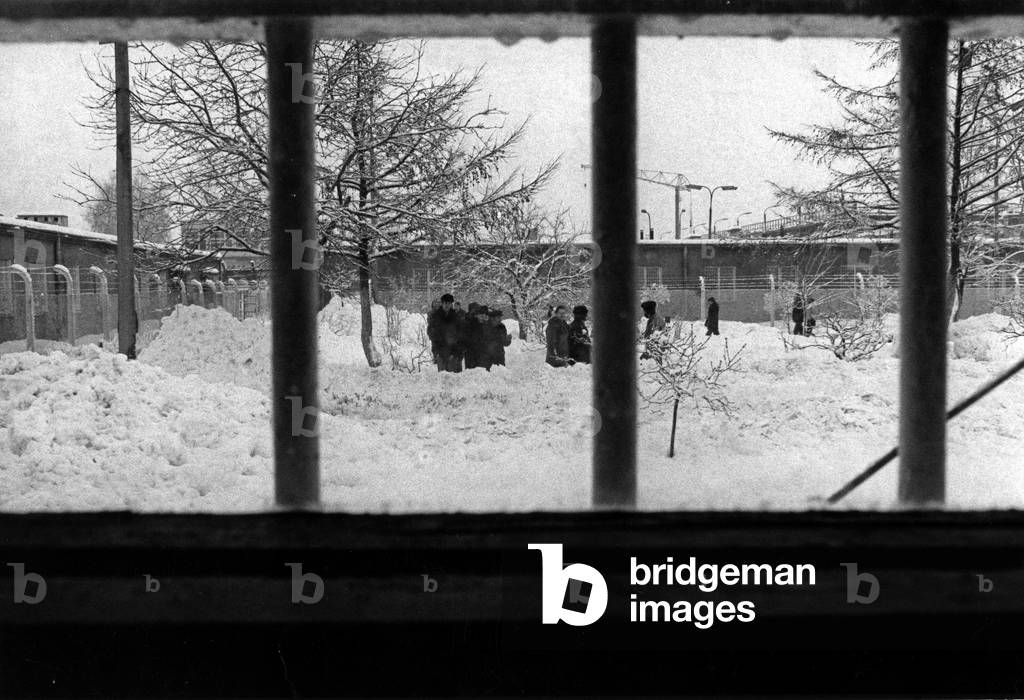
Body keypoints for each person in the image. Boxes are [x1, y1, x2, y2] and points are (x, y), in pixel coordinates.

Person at [428, 293, 463, 372]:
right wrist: (436, 351)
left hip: (452, 351)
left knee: (452, 377)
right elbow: (431, 332)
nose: (447, 305)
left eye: (449, 303)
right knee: (442, 376)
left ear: (451, 304)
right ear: (442, 304)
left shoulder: (455, 317)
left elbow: (460, 334)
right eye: (445, 303)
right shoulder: (436, 316)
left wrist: (456, 351)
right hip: (440, 350)